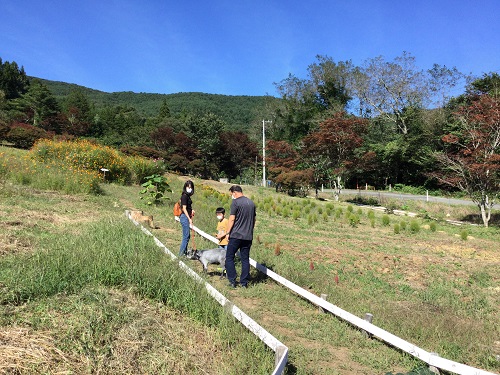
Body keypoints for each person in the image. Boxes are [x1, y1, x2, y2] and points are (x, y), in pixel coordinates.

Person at [225, 185, 256, 288]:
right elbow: (254, 220)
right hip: (248, 236)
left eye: (231, 194)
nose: (231, 196)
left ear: (234, 192)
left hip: (236, 235)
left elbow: (232, 219)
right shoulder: (251, 203)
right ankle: (244, 283)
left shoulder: (236, 202)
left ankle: (232, 281)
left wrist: (227, 232)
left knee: (229, 257)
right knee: (245, 259)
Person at [179, 180, 195, 257]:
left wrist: (192, 210)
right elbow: (184, 208)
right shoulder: (184, 196)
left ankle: (184, 253)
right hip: (185, 217)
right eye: (188, 187)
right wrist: (189, 219)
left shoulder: (187, 196)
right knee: (186, 236)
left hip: (186, 216)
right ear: (185, 187)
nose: (189, 189)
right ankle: (181, 254)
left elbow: (188, 207)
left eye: (191, 187)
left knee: (187, 236)